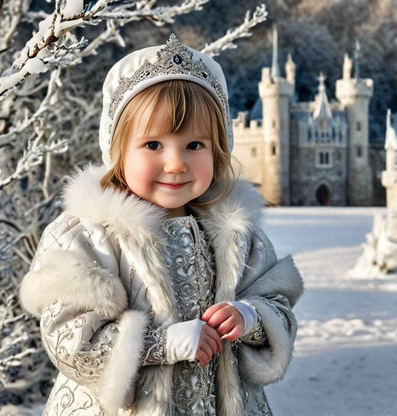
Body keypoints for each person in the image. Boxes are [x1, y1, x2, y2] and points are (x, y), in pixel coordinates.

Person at [20, 34, 303, 416]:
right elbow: (70, 341)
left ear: (219, 150)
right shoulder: (89, 235)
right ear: (118, 150)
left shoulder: (235, 233)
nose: (175, 163)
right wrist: (161, 343)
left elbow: (278, 304)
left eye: (194, 146)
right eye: (154, 145)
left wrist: (250, 315)